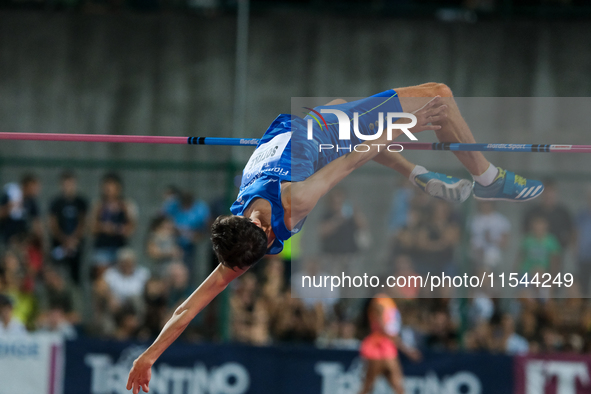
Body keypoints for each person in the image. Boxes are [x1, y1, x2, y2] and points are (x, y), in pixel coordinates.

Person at [127, 84, 543, 393]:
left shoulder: (296, 200)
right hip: (303, 133)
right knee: (354, 115)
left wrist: (410, 123)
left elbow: (356, 156)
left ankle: (470, 177)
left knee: (437, 95)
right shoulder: (240, 236)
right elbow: (188, 308)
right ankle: (453, 177)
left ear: (258, 227)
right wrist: (149, 355)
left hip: (319, 134)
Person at [359, 295, 421, 394]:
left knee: (397, 387)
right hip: (377, 349)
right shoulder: (378, 302)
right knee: (368, 386)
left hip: (388, 348)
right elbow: (384, 329)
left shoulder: (389, 302)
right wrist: (408, 351)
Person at [48, 171, 89, 284]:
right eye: (65, 184)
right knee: (57, 273)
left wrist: (73, 240)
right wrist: (64, 240)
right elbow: (53, 224)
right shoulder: (56, 203)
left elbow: (83, 222)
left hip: (76, 244)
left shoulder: (81, 202)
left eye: (70, 184)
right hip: (59, 244)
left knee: (75, 276)